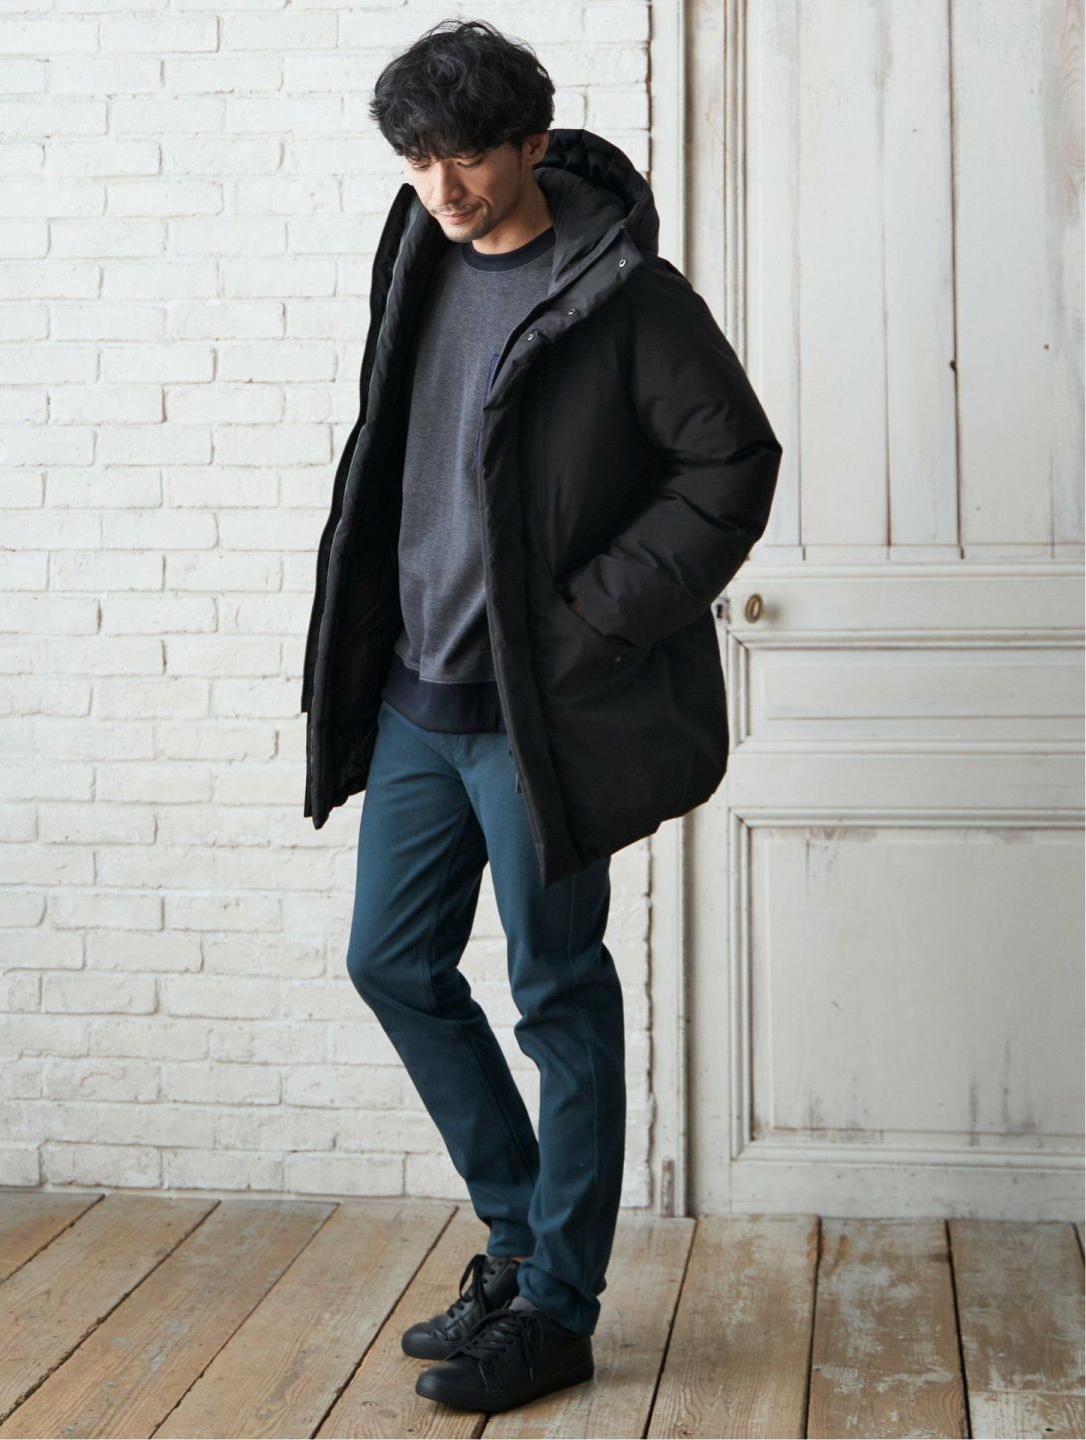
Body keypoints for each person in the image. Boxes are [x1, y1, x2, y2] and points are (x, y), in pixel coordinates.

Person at [299, 17, 782, 1416]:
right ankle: (518, 1242)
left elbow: (731, 464)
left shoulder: (623, 292)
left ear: (531, 140)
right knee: (391, 963)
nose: (441, 185)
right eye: (416, 158)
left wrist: (588, 621)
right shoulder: (417, 249)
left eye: (465, 155)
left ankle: (559, 1309)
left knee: (558, 991)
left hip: (535, 714)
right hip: (416, 695)